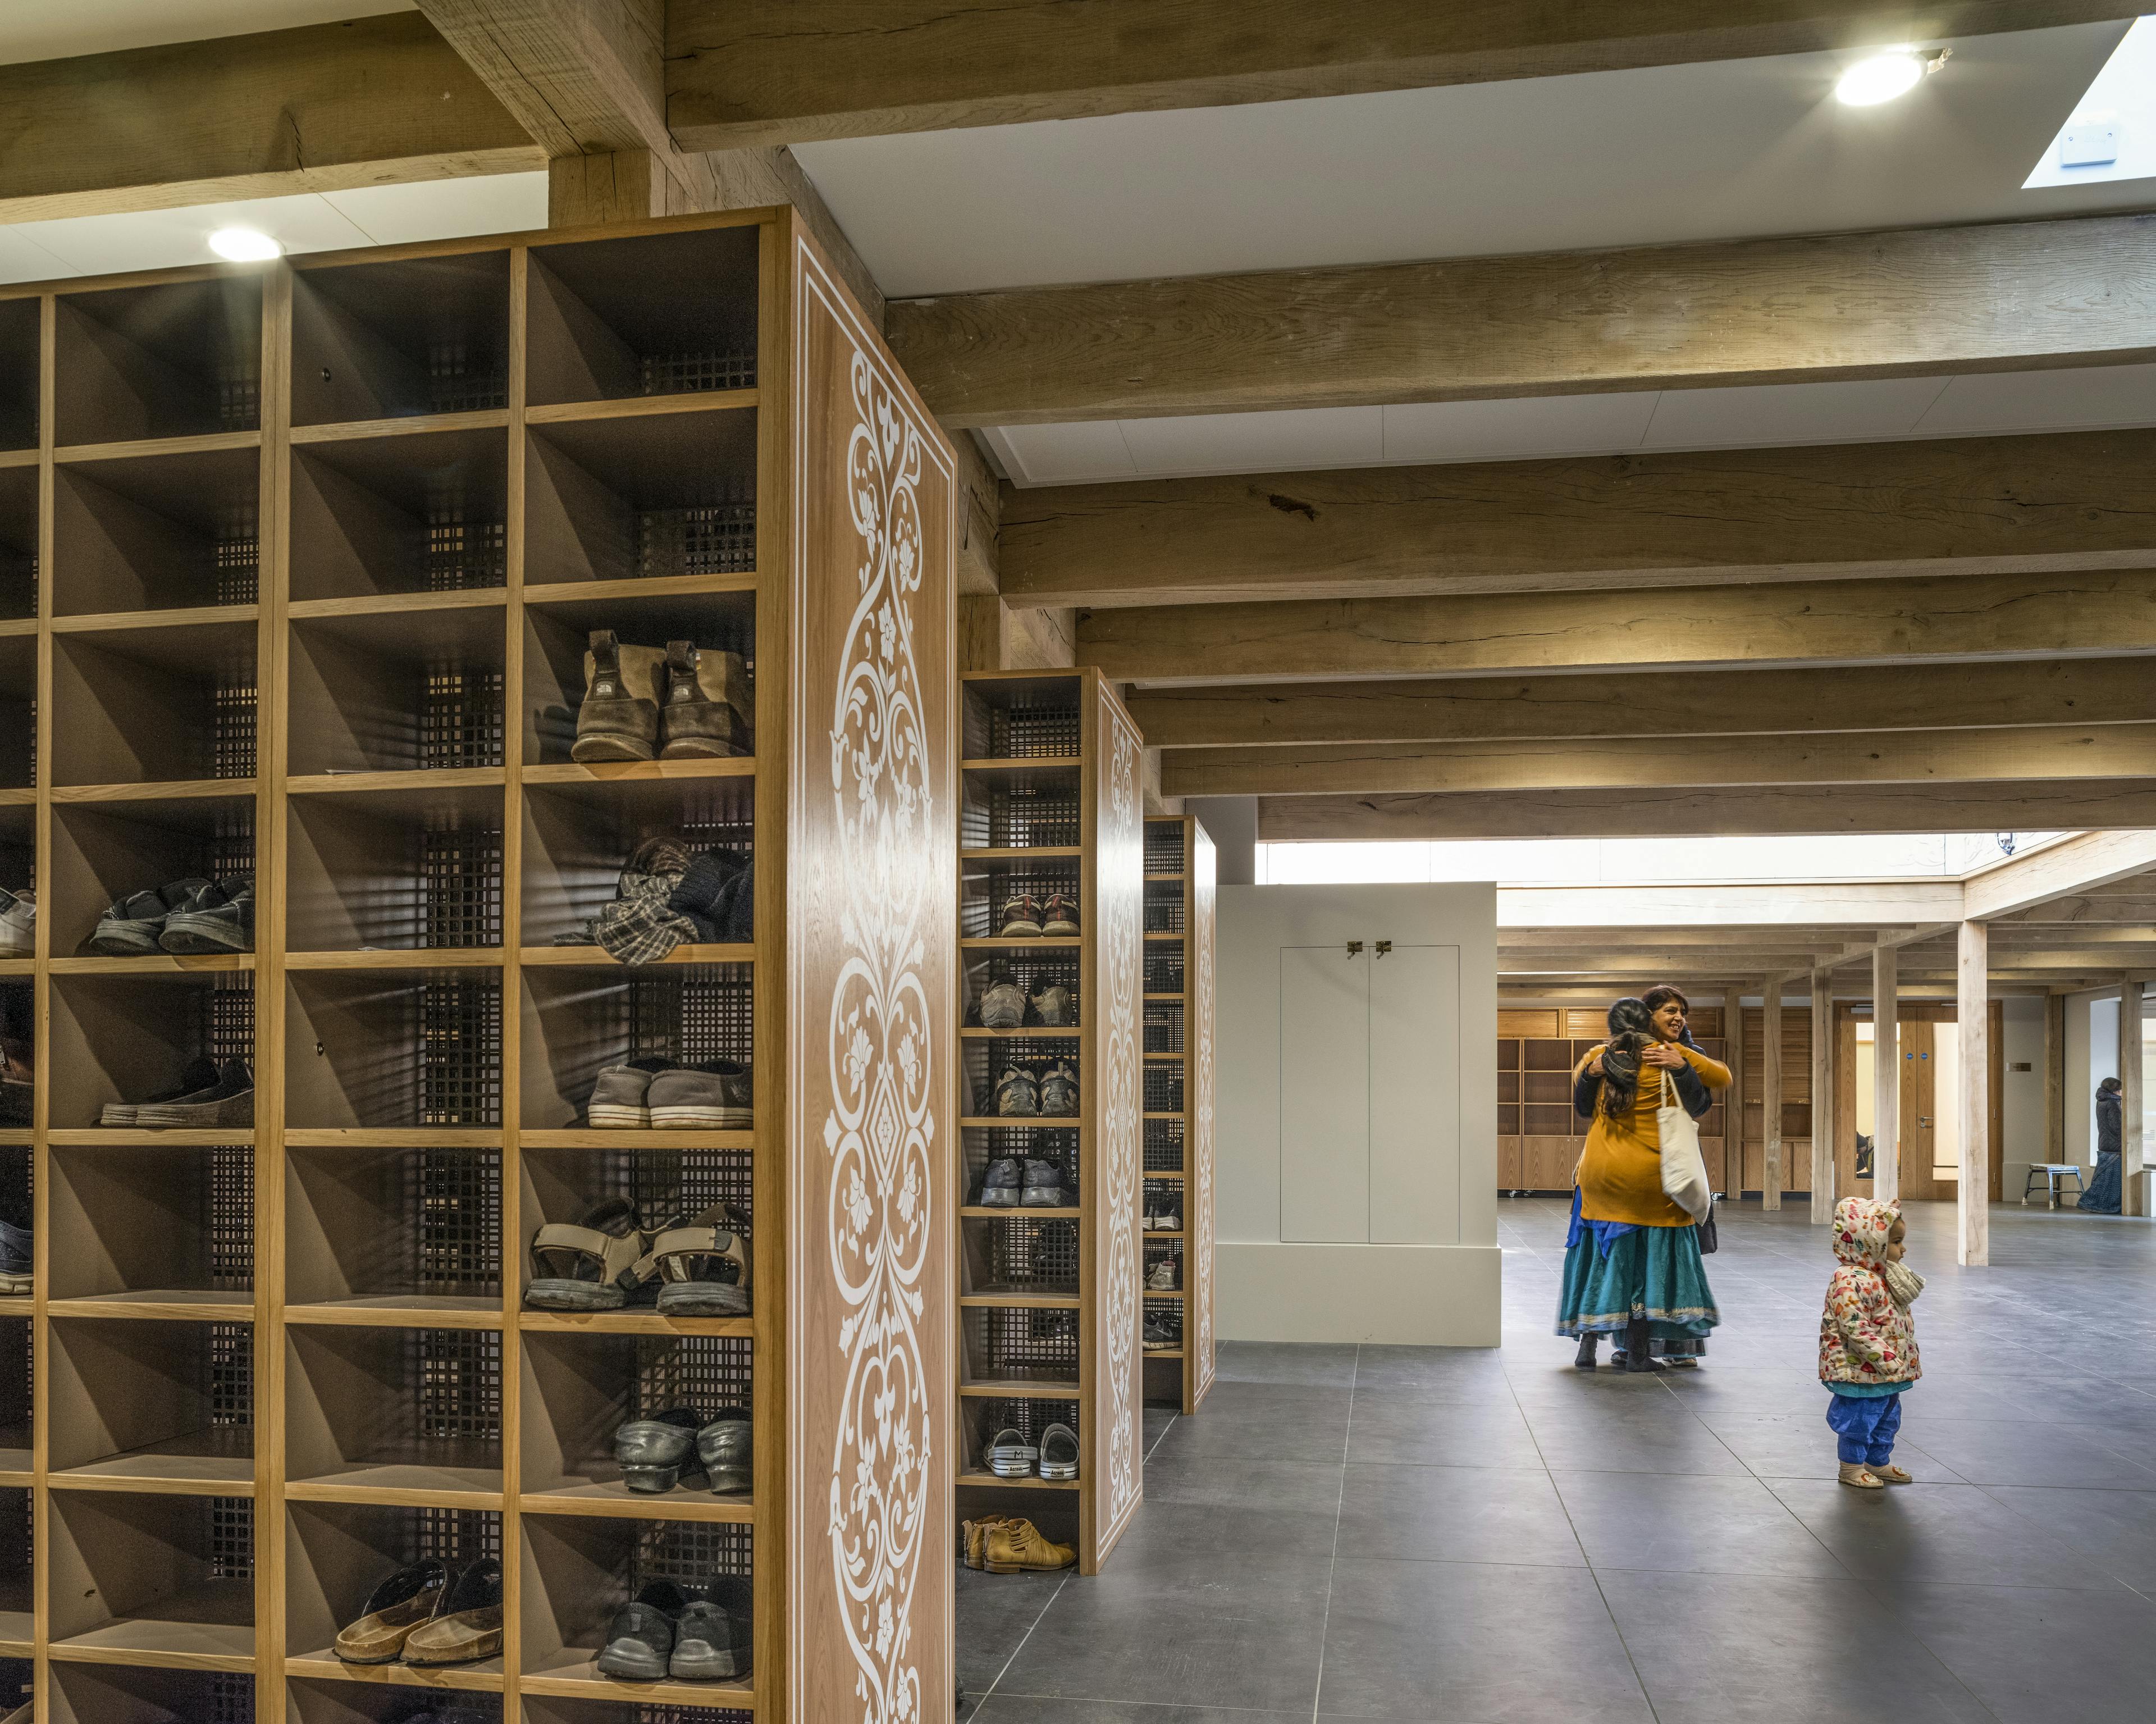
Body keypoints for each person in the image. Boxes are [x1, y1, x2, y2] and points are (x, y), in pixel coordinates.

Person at [1556, 986, 1727, 1372]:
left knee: (1601, 1261)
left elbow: (1582, 1105)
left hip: (1598, 1178)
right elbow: (1712, 1091)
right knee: (1648, 1266)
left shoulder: (1600, 1055)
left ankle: (1591, 1345)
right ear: (1648, 1016)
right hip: (1655, 1176)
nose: (1679, 1018)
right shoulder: (1675, 1055)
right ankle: (1638, 1351)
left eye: (1683, 1012)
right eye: (1671, 1010)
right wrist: (1682, 1063)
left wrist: (1591, 1071)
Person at [1819, 1196, 1922, 1488]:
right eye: (1897, 1242)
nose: (1903, 1249)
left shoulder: (1883, 1275)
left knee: (1887, 1417)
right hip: (1858, 1369)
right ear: (1870, 1243)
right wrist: (1885, 1357)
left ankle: (1878, 1462)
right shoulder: (1849, 1279)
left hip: (1886, 1370)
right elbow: (1854, 1326)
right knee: (1859, 1419)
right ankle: (1851, 1466)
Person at [2079, 1077, 2123, 1213]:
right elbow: (2117, 1127)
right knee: (2112, 1181)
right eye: (2121, 1090)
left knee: (2103, 1179)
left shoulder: (2101, 1102)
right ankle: (2101, 1205)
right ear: (2115, 1091)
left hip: (2104, 1144)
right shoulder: (2113, 1104)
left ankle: (2091, 1203)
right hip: (2115, 1146)